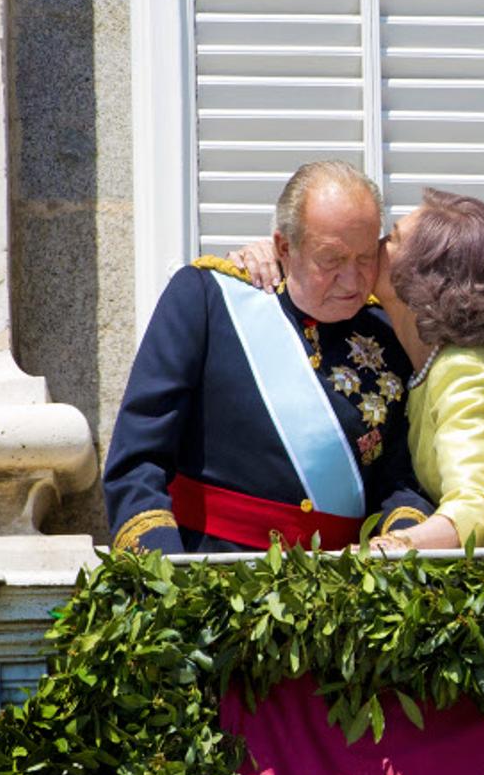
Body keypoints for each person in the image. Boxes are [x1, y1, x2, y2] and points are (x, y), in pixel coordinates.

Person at [104, 161, 432, 553]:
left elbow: (400, 478)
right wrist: (163, 574)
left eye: (365, 259)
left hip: (340, 589)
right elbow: (138, 460)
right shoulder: (209, 300)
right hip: (211, 573)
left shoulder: (386, 330)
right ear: (283, 248)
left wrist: (401, 545)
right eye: (332, 260)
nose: (352, 279)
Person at [370, 189, 484, 548]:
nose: (377, 244)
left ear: (425, 277)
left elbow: (474, 512)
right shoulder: (436, 362)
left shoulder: (466, 369)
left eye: (393, 238)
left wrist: (390, 549)